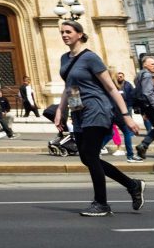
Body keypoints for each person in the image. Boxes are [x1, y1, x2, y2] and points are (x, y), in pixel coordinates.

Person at [55, 21, 144, 215]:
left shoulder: (91, 58)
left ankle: (101, 203)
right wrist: (60, 110)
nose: (64, 35)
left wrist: (126, 116)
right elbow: (68, 87)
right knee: (87, 158)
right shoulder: (64, 58)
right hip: (77, 110)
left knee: (91, 156)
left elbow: (112, 88)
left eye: (68, 32)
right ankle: (132, 185)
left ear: (79, 34)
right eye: (62, 32)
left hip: (97, 109)